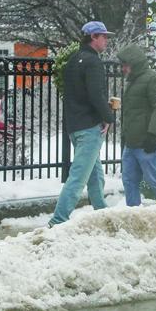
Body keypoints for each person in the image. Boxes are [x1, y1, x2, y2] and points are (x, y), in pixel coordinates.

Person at [49, 21, 116, 227]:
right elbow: (96, 95)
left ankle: (101, 212)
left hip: (75, 126)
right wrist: (109, 117)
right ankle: (58, 220)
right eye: (103, 36)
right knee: (78, 177)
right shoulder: (93, 62)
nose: (106, 40)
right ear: (93, 37)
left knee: (94, 173)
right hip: (89, 127)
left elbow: (74, 95)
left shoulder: (72, 61)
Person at [117, 45, 156, 206]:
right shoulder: (134, 81)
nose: (122, 68)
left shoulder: (154, 79)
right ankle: (133, 213)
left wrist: (153, 135)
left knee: (154, 180)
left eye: (125, 64)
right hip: (132, 142)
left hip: (148, 141)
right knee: (129, 180)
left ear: (134, 63)